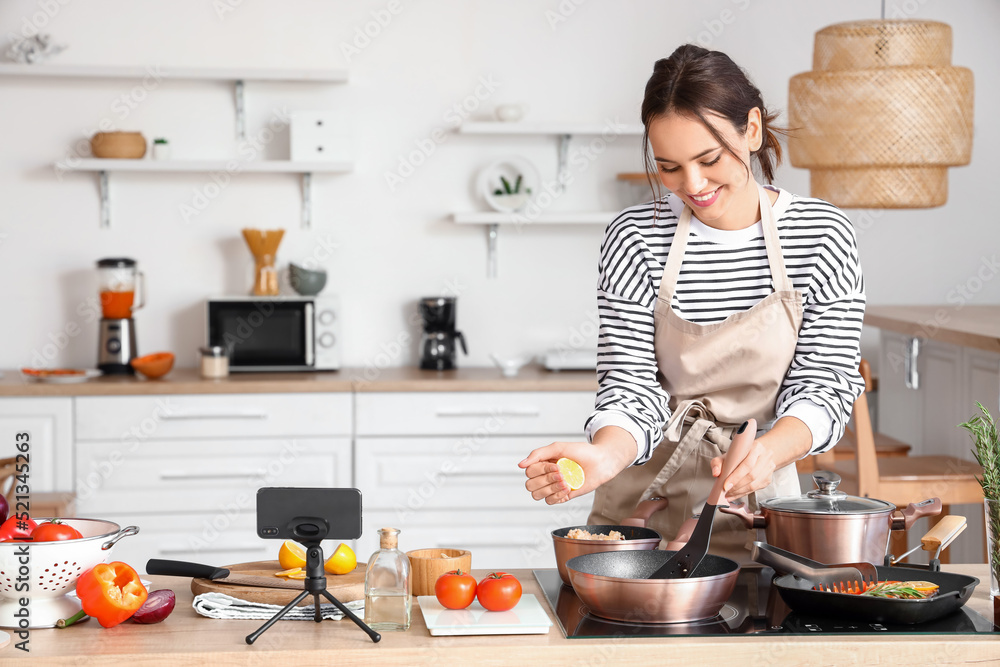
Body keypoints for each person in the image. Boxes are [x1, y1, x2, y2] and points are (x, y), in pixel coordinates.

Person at [518, 44, 866, 561]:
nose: (693, 186)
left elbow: (826, 385)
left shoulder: (821, 235)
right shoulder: (635, 237)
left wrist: (765, 454)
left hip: (757, 500)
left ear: (750, 130)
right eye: (669, 168)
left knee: (754, 626)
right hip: (641, 499)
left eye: (709, 160)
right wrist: (604, 456)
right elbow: (630, 384)